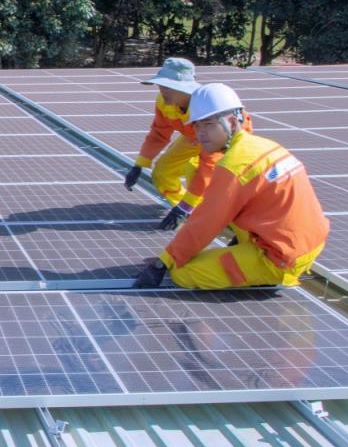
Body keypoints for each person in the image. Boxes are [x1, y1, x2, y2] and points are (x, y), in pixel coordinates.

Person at [133, 83, 329, 289]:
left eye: (209, 124)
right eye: (197, 126)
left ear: (232, 122)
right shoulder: (264, 144)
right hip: (308, 240)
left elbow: (206, 222)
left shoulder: (234, 166)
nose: (201, 133)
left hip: (280, 257)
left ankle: (265, 273)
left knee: (182, 273)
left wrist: (163, 262)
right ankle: (250, 252)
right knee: (204, 179)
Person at [123, 58, 252, 230]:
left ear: (184, 90)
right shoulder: (164, 102)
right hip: (193, 136)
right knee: (162, 172)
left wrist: (186, 206)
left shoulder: (208, 109)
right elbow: (159, 133)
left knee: (202, 175)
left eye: (168, 87)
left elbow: (208, 164)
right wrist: (139, 165)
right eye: (160, 85)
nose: (162, 91)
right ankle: (193, 213)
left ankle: (224, 220)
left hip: (225, 139)